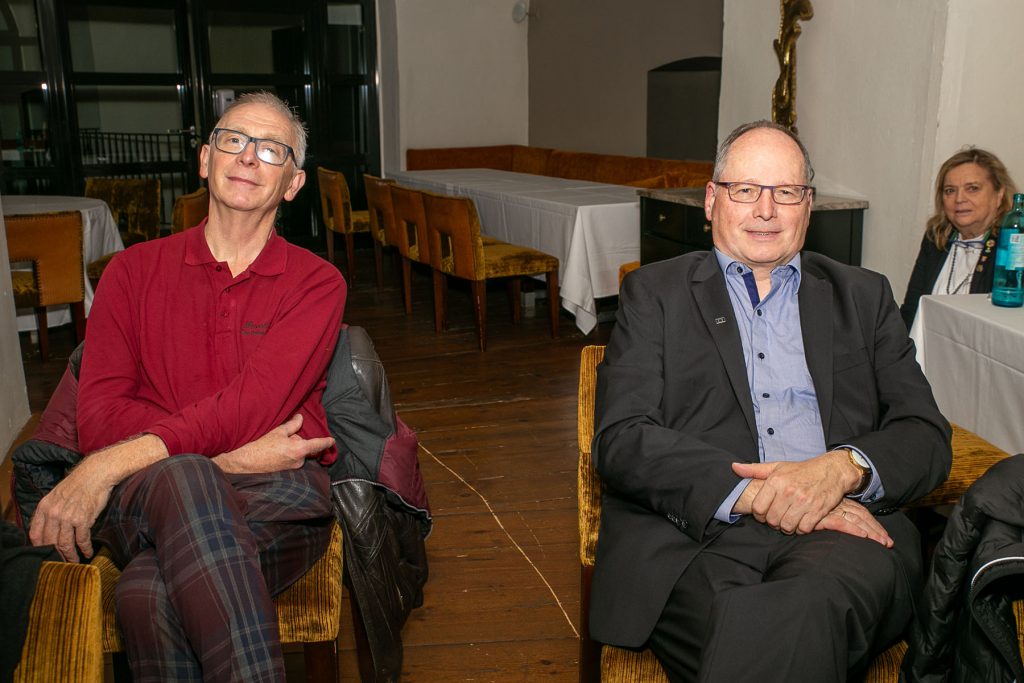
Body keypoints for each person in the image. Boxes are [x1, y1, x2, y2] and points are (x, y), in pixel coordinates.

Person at [591, 120, 952, 682]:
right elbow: (622, 439)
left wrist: (840, 469)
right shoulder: (654, 294)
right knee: (787, 629)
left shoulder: (863, 296)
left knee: (800, 610)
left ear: (809, 206)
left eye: (786, 192)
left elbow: (925, 435)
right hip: (693, 538)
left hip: (843, 531)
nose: (766, 210)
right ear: (712, 201)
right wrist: (763, 494)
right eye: (746, 190)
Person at [28, 91, 346, 682]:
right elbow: (98, 420)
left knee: (146, 594)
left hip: (279, 495)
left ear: (294, 183)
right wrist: (226, 458)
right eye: (234, 140)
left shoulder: (316, 283)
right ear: (205, 159)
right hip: (149, 492)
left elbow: (254, 405)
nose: (249, 157)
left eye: (271, 149)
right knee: (188, 474)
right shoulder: (130, 272)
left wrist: (106, 465)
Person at [900, 147, 1017, 329]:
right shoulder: (937, 236)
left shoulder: (1011, 247)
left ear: (999, 195)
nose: (959, 199)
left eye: (972, 188)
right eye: (950, 191)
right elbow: (912, 308)